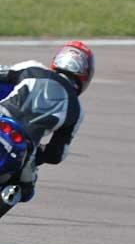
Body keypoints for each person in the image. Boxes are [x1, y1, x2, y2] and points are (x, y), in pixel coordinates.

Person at [0, 41, 94, 203]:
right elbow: (56, 154)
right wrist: (38, 155)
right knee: (25, 188)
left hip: (3, 119)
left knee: (26, 189)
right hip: (22, 145)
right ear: (85, 75)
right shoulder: (76, 110)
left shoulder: (32, 67)